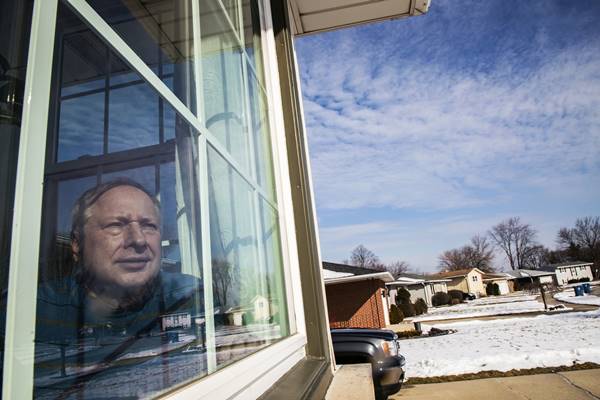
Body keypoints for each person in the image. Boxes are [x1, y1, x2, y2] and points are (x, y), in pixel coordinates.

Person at [32, 179, 204, 396]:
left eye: (149, 226)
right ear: (76, 243)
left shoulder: (191, 297)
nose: (138, 240)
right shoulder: (31, 313)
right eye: (116, 225)